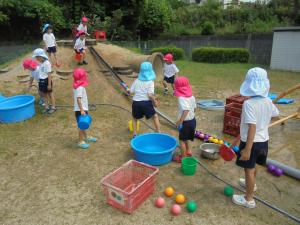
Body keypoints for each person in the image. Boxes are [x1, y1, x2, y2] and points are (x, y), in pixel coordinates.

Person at [232, 67, 279, 208]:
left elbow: (252, 128)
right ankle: (252, 185)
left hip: (251, 144)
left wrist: (247, 149)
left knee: (248, 170)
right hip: (263, 141)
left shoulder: (249, 104)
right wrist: (264, 120)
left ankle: (248, 199)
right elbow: (276, 115)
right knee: (254, 167)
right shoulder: (268, 101)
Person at [130, 62, 160, 138]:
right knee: (155, 116)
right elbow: (150, 95)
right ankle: (158, 132)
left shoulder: (136, 80)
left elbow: (131, 91)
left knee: (134, 118)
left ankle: (135, 133)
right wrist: (154, 101)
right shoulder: (150, 82)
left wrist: (128, 90)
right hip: (146, 103)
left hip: (136, 103)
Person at [172, 76, 197, 163]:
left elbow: (186, 110)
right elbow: (194, 108)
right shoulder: (192, 96)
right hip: (193, 121)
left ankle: (183, 157)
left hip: (185, 123)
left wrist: (180, 121)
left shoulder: (181, 98)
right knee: (188, 138)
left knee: (182, 140)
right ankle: (189, 151)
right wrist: (191, 116)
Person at [73, 68, 97, 149]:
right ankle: (80, 141)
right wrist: (82, 110)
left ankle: (86, 137)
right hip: (81, 111)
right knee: (81, 126)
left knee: (83, 124)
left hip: (80, 110)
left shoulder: (76, 86)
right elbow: (78, 99)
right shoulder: (80, 88)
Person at [32, 48, 56, 114]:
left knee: (50, 94)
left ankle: (53, 107)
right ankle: (47, 107)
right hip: (41, 81)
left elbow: (49, 74)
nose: (36, 59)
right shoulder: (41, 63)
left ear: (41, 56)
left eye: (37, 57)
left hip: (46, 81)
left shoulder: (47, 63)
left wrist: (49, 84)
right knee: (44, 95)